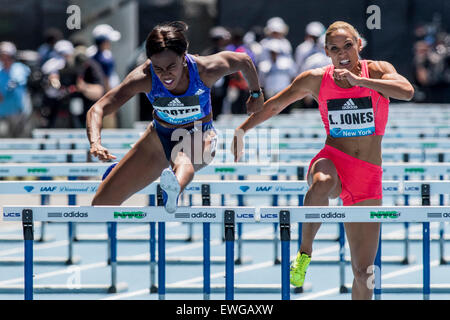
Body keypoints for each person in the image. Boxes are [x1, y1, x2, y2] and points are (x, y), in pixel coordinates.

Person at [231, 21, 414, 300]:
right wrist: (243, 129)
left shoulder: (378, 70)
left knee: (364, 273)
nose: (342, 53)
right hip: (333, 159)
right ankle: (305, 252)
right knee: (321, 182)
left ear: (359, 46)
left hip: (367, 176)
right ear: (326, 52)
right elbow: (277, 104)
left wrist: (361, 82)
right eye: (334, 49)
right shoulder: (315, 79)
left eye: (348, 46)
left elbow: (407, 91)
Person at [88, 21, 263, 213]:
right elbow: (98, 109)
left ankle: (172, 192)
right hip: (159, 138)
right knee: (100, 205)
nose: (166, 76)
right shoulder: (143, 77)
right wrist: (95, 142)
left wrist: (255, 93)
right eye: (158, 69)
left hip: (200, 135)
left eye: (171, 66)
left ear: (183, 55)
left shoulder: (206, 69)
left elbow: (244, 60)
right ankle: (125, 172)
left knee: (181, 156)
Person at [0, 41, 31, 137]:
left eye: (8, 56)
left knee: (20, 138)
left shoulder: (20, 68)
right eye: (2, 56)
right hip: (2, 113)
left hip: (19, 112)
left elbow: (21, 81)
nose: (5, 59)